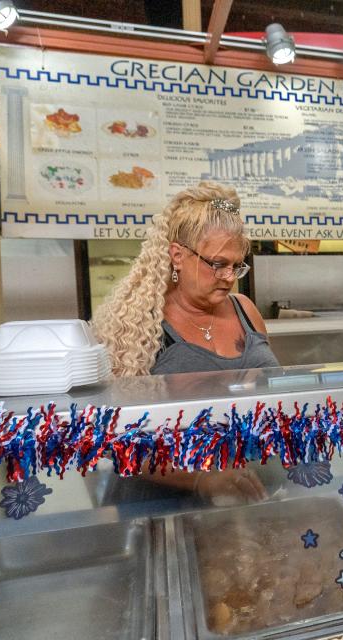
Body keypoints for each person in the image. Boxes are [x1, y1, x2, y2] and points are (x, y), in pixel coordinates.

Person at [93, 181, 276, 502]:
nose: (229, 277)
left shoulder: (245, 310)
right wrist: (198, 479)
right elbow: (111, 436)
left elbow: (275, 394)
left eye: (237, 265)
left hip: (245, 495)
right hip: (161, 507)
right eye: (217, 264)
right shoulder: (138, 326)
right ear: (177, 255)